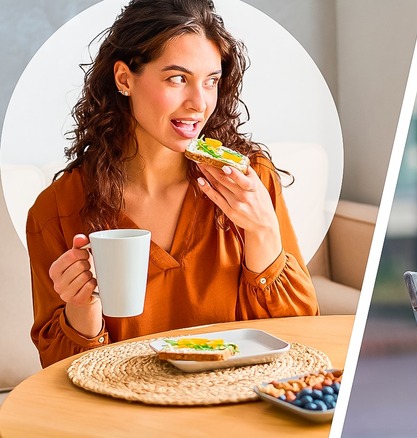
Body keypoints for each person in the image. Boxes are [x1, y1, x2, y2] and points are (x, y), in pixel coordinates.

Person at [28, 0, 318, 368]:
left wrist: (262, 232)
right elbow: (61, 374)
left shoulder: (250, 180)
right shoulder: (56, 209)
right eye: (177, 78)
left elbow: (299, 340)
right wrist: (81, 308)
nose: (199, 102)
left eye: (211, 81)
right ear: (124, 79)